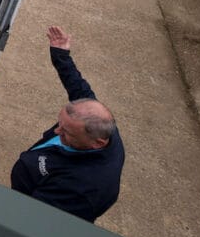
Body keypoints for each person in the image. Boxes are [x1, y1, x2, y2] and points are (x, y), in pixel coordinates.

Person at [10, 26, 124, 222]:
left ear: (97, 143)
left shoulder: (84, 189)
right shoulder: (93, 119)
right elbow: (77, 86)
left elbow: (34, 219)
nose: (56, 130)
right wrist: (61, 55)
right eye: (60, 122)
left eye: (66, 132)